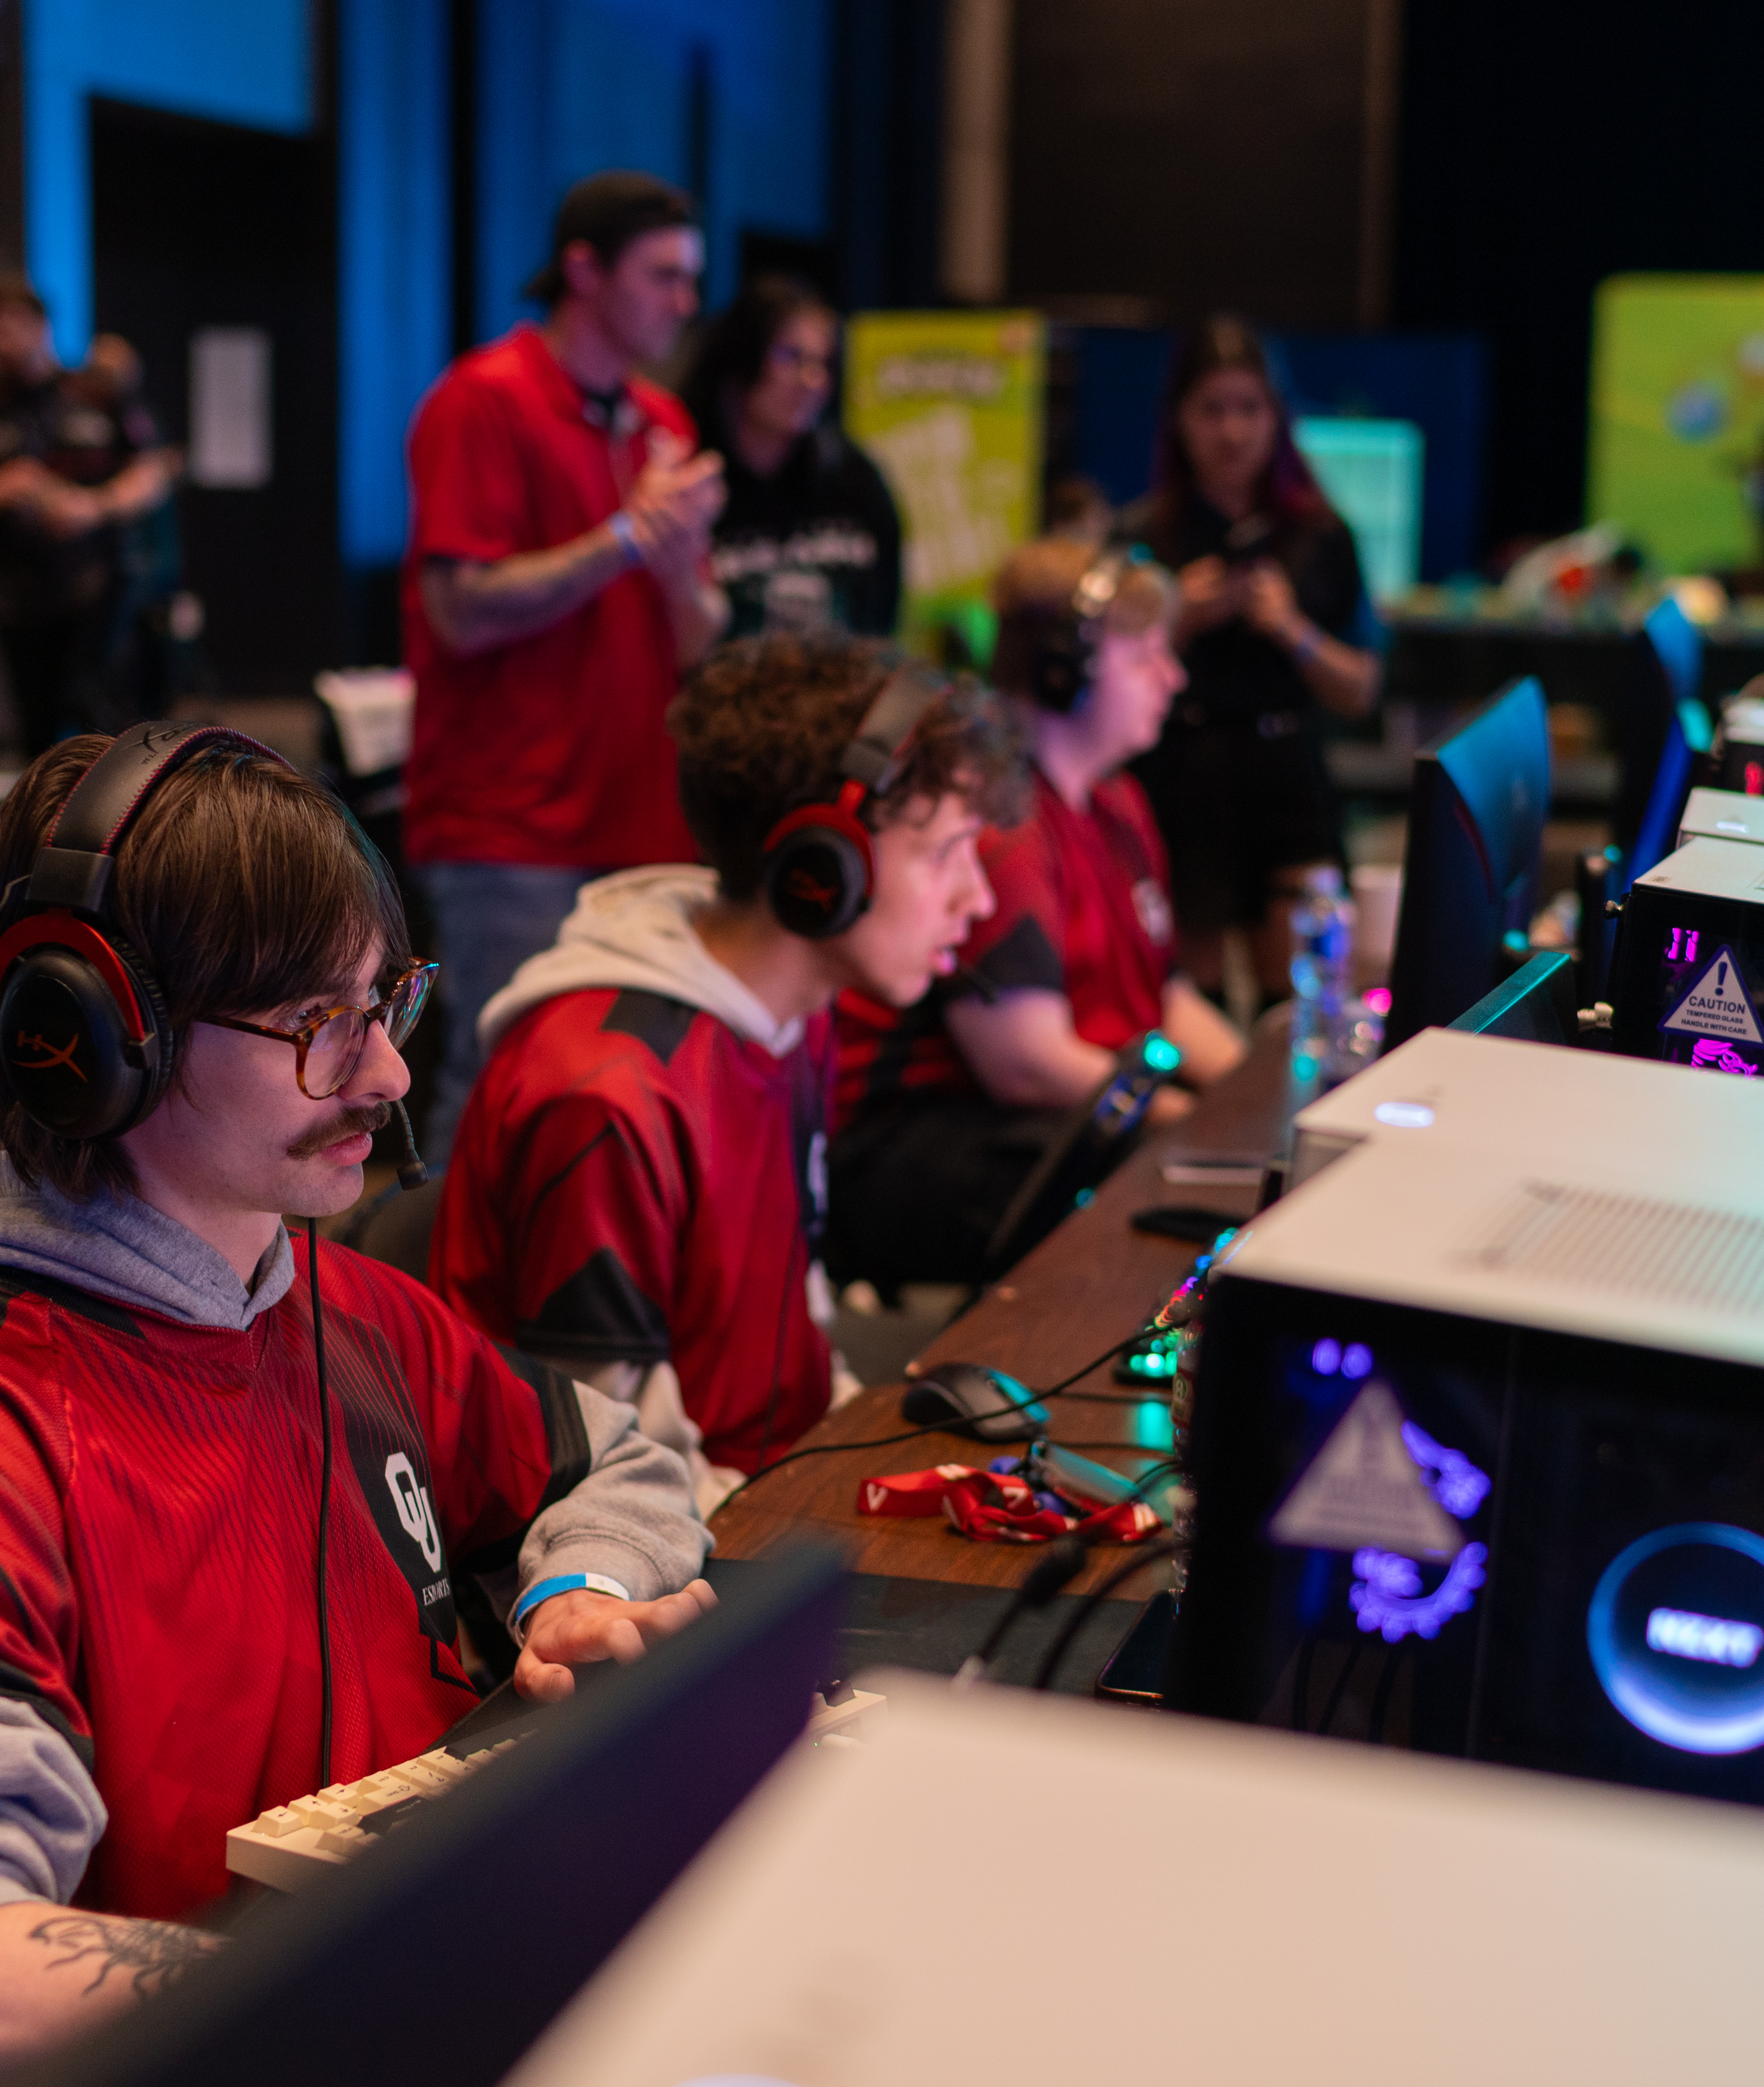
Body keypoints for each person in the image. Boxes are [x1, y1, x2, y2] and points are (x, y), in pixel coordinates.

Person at [0, 726, 716, 2087]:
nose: (383, 1075)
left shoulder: (347, 1304)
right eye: (320, 1024)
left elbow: (611, 1461)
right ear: (88, 1042)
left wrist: (580, 1591)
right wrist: (396, 1980)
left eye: (385, 1004)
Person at [433, 637, 1021, 1498]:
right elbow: (588, 1481)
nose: (980, 897)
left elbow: (786, 1343)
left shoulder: (791, 1018)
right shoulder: (606, 1095)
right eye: (944, 853)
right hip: (648, 1559)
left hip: (762, 1493)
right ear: (823, 868)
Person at [402, 172, 730, 1162]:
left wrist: (673, 565)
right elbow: (461, 614)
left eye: (691, 280)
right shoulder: (483, 401)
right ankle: (427, 1309)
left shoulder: (661, 424)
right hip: (512, 825)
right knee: (504, 1081)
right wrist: (626, 537)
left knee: (620, 1087)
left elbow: (699, 639)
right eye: (664, 276)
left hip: (637, 813)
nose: (684, 303)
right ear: (582, 271)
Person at [827, 544, 1248, 1288]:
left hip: (1042, 1115)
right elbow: (1026, 1063)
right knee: (1165, 1201)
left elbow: (1166, 997)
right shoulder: (1004, 823)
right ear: (1065, 673)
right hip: (915, 1135)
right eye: (1146, 656)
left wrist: (1261, 1100)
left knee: (1213, 1182)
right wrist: (1201, 1135)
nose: (1173, 677)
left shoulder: (1119, 804)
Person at [1116, 318, 1381, 1000]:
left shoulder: (1319, 535)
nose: (1231, 432)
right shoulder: (1145, 538)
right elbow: (1098, 681)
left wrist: (1292, 629)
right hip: (1181, 780)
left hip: (1287, 777)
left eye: (1249, 408)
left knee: (1298, 1005)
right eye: (1211, 409)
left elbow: (1362, 691)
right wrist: (1172, 620)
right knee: (1186, 1000)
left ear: (1277, 416)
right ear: (1179, 419)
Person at [0, 276, 179, 752]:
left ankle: (114, 822)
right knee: (36, 731)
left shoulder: (92, 394)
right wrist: (3, 487)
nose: (2, 340)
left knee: (100, 720)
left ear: (41, 328)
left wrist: (93, 506)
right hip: (19, 599)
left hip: (98, 592)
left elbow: (154, 471)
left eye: (13, 327)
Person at [675, 276, 905, 643]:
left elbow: (883, 621)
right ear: (741, 357)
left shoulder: (854, 481)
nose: (811, 380)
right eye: (790, 357)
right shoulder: (688, 480)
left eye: (822, 363)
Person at [83, 333, 202, 722]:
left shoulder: (141, 418)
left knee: (156, 657)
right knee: (108, 666)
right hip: (105, 566)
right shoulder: (83, 423)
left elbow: (157, 477)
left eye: (119, 371)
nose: (113, 380)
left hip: (154, 560)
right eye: (102, 371)